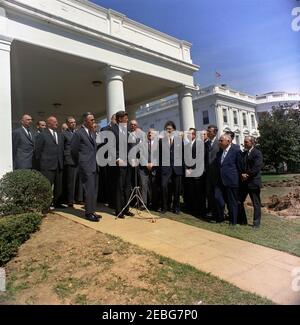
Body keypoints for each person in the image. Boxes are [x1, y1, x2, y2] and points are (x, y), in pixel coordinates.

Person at [70, 112, 102, 222]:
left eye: (94, 120)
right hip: (85, 165)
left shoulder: (92, 133)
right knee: (89, 189)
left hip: (94, 165)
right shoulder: (79, 133)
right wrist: (80, 162)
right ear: (85, 121)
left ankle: (92, 210)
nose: (94, 122)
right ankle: (88, 213)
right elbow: (73, 150)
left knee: (94, 189)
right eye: (91, 120)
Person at [34, 116, 64, 208]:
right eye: (54, 121)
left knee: (58, 187)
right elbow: (37, 151)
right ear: (49, 123)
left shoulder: (59, 135)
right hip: (47, 166)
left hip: (58, 165)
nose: (57, 123)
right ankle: (44, 206)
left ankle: (57, 203)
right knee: (46, 187)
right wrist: (41, 164)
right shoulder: (42, 135)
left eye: (57, 121)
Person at [109, 110, 135, 218]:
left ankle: (126, 209)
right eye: (125, 118)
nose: (127, 120)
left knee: (127, 187)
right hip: (119, 163)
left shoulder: (126, 131)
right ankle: (119, 210)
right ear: (120, 119)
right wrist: (116, 158)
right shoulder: (113, 130)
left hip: (128, 163)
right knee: (119, 187)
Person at [215, 134, 243, 225]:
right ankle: (221, 216)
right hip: (220, 181)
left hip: (231, 181)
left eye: (221, 140)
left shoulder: (236, 151)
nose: (219, 142)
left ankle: (233, 221)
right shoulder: (219, 152)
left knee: (232, 202)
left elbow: (240, 166)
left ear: (228, 141)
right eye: (219, 140)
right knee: (218, 198)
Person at [239, 136, 263, 228]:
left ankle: (256, 224)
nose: (244, 143)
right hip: (244, 183)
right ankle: (243, 221)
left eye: (246, 142)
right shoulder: (244, 153)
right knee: (239, 201)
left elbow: (257, 167)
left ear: (252, 143)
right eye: (244, 142)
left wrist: (247, 174)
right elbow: (241, 165)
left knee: (256, 204)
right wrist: (242, 174)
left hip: (253, 182)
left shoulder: (257, 153)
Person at [159, 121, 183, 214]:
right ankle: (165, 207)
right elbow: (159, 155)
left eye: (170, 129)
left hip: (177, 168)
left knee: (177, 189)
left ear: (174, 130)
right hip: (165, 168)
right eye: (166, 129)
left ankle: (176, 208)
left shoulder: (179, 140)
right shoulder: (161, 141)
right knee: (164, 186)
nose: (168, 130)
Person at [138, 128, 160, 210]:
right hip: (143, 168)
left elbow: (159, 156)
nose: (150, 134)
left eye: (152, 133)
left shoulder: (158, 144)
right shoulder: (142, 143)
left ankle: (154, 204)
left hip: (154, 168)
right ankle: (143, 204)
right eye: (149, 133)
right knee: (143, 186)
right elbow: (140, 155)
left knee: (154, 186)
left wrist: (153, 164)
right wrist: (146, 163)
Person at [62, 117, 77, 207]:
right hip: (69, 160)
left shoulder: (77, 133)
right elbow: (62, 148)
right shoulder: (64, 134)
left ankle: (74, 198)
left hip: (77, 160)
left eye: (74, 122)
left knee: (76, 181)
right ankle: (69, 200)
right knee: (70, 182)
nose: (73, 124)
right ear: (67, 124)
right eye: (71, 122)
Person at [205, 125, 220, 219]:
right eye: (207, 130)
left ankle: (219, 212)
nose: (207, 132)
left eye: (209, 131)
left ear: (214, 133)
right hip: (208, 173)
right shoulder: (206, 144)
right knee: (209, 193)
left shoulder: (219, 143)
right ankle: (211, 211)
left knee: (217, 194)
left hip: (217, 173)